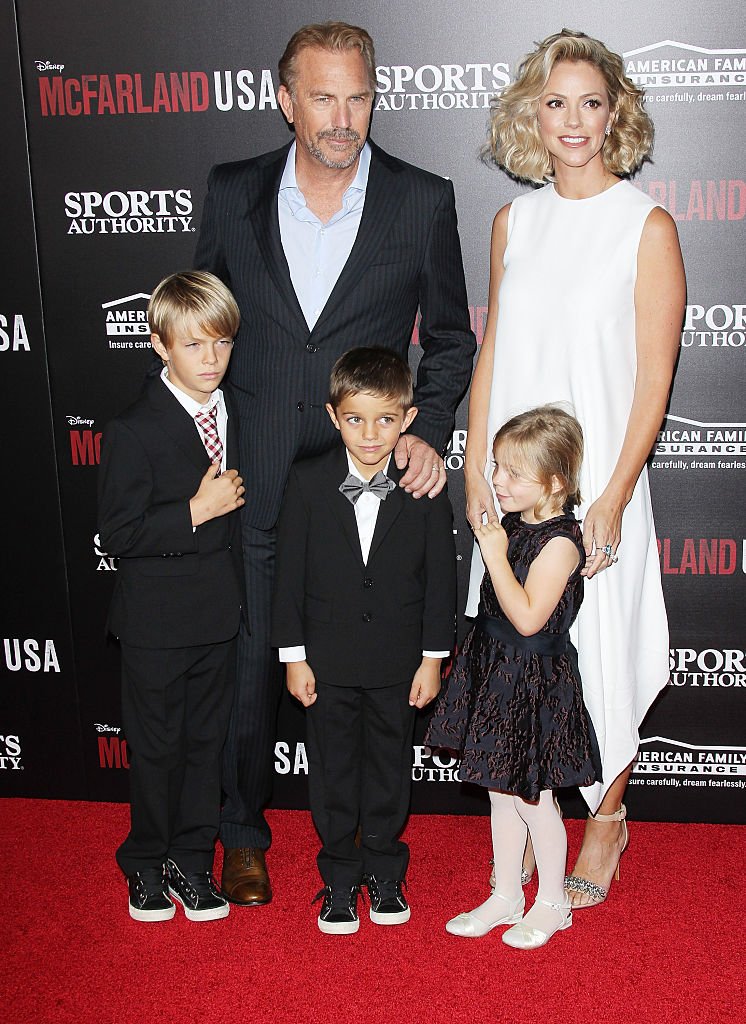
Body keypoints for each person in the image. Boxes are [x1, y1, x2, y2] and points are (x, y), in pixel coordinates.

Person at [194, 21, 475, 905]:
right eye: (323, 96)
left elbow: (453, 342)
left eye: (358, 95)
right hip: (261, 477)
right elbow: (200, 328)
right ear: (286, 101)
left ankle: (364, 852)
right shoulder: (231, 191)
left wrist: (426, 428)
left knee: (374, 682)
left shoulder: (421, 199)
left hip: (374, 491)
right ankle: (243, 834)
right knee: (250, 668)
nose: (343, 116)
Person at [464, 29, 686, 908]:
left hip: (601, 482)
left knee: (602, 646)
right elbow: (491, 355)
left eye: (591, 102)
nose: (573, 120)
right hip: (517, 484)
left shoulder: (647, 226)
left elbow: (655, 378)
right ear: (531, 113)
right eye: (556, 102)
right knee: (524, 653)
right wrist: (478, 467)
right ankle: (535, 814)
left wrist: (615, 494)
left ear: (616, 113)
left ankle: (607, 818)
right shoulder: (513, 223)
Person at [271, 348, 457, 934]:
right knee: (330, 774)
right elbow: (289, 578)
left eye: (385, 419)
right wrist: (294, 657)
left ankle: (384, 870)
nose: (370, 433)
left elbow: (440, 582)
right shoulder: (305, 481)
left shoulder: (423, 487)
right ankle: (338, 879)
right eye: (356, 419)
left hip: (397, 665)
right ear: (333, 416)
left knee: (387, 768)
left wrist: (432, 658)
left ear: (406, 418)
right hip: (324, 664)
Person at [98, 271, 246, 922]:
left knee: (204, 747)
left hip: (220, 617)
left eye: (221, 342)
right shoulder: (133, 428)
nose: (210, 358)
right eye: (193, 346)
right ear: (160, 346)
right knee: (156, 749)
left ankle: (192, 863)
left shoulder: (237, 408)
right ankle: (146, 865)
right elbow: (119, 532)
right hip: (156, 624)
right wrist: (194, 510)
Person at [427, 406, 599, 948]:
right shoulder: (513, 525)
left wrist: (495, 553)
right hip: (495, 669)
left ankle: (553, 903)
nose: (495, 480)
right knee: (501, 792)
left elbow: (529, 617)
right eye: (495, 466)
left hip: (533, 681)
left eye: (512, 473)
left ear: (554, 483)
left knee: (531, 797)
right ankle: (506, 891)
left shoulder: (561, 542)